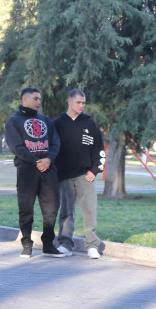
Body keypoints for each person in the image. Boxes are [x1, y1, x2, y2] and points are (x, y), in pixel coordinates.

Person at [4, 87, 67, 258]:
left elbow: (55, 143)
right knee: (26, 208)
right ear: (25, 99)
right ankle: (26, 243)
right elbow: (16, 147)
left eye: (40, 99)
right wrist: (35, 161)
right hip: (26, 171)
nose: (39, 102)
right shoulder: (13, 121)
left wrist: (48, 160)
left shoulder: (46, 120)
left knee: (51, 209)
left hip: (48, 170)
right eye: (35, 98)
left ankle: (48, 244)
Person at [53, 89, 105, 259]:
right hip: (64, 176)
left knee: (90, 210)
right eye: (78, 102)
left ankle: (92, 245)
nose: (81, 105)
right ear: (69, 101)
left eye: (83, 103)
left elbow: (99, 148)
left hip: (85, 174)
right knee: (66, 212)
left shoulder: (89, 123)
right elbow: (52, 149)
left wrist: (95, 170)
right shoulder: (58, 123)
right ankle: (66, 244)